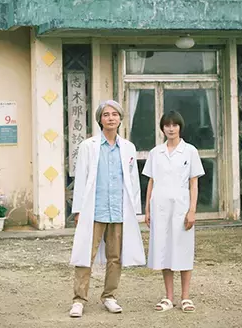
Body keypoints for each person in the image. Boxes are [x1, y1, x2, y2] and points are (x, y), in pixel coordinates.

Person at [68, 100, 146, 318]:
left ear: (120, 119)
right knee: (86, 254)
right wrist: (78, 210)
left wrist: (135, 211)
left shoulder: (128, 147)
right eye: (106, 114)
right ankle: (79, 300)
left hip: (119, 209)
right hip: (94, 209)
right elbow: (81, 178)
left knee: (115, 256)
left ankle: (109, 296)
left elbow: (133, 181)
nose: (111, 118)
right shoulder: (88, 146)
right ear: (100, 119)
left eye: (114, 114)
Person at [142, 110, 205, 313]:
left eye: (174, 125)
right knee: (164, 250)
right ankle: (168, 297)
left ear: (180, 127)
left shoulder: (190, 151)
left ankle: (185, 297)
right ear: (162, 128)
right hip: (160, 206)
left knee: (183, 249)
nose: (171, 129)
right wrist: (147, 209)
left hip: (181, 206)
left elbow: (194, 183)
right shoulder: (156, 153)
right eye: (167, 125)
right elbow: (151, 181)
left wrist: (192, 210)